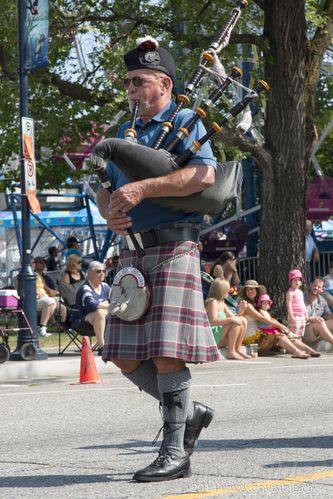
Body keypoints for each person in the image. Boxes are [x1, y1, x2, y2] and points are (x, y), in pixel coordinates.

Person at [96, 36, 221, 482]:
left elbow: (203, 175)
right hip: (131, 253)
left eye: (139, 81)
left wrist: (145, 188)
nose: (131, 89)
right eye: (128, 81)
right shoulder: (126, 131)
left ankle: (175, 453)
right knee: (122, 353)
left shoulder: (185, 121)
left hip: (172, 247)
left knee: (167, 354)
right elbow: (105, 185)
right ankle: (189, 412)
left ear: (164, 83)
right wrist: (108, 208)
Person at [238, 280, 312, 359]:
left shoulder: (258, 304)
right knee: (278, 335)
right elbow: (261, 318)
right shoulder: (247, 304)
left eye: (252, 289)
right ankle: (296, 352)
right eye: (247, 289)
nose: (249, 291)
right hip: (252, 340)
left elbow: (269, 318)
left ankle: (309, 350)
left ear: (256, 290)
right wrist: (280, 326)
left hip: (260, 335)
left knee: (286, 335)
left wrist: (281, 326)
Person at [205, 278, 250, 360]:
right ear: (221, 290)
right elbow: (213, 321)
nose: (229, 291)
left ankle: (237, 349)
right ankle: (231, 351)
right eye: (227, 289)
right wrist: (231, 320)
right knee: (234, 322)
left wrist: (242, 310)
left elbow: (237, 319)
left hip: (220, 335)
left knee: (243, 320)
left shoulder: (222, 303)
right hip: (212, 336)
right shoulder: (212, 301)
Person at [71, 261, 110, 354]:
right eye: (99, 271)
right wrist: (107, 305)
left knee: (116, 312)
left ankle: (116, 344)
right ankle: (102, 346)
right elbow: (91, 305)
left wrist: (104, 306)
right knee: (99, 312)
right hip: (82, 323)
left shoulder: (105, 287)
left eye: (103, 271)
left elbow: (116, 302)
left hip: (102, 320)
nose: (102, 274)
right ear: (91, 273)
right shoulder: (85, 288)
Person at [35, 256, 66, 337]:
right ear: (35, 264)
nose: (43, 264)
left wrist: (55, 292)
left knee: (62, 302)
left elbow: (48, 288)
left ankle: (62, 326)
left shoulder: (43, 276)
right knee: (50, 302)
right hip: (38, 298)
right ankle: (42, 328)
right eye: (41, 263)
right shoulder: (31, 275)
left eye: (44, 262)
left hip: (46, 296)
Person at [303, 277, 333, 348]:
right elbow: (297, 317)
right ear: (310, 285)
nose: (316, 288)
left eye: (319, 287)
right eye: (314, 285)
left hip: (316, 331)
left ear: (322, 290)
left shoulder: (322, 300)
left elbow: (327, 315)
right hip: (303, 329)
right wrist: (311, 319)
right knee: (319, 323)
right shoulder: (302, 297)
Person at [286, 269, 308, 339]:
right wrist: (291, 315)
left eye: (299, 280)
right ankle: (293, 348)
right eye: (294, 280)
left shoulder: (300, 292)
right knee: (293, 334)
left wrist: (306, 313)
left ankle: (300, 346)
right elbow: (288, 304)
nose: (297, 282)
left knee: (300, 334)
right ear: (290, 282)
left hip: (302, 316)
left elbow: (302, 303)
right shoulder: (290, 292)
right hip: (294, 316)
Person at [305, 220, 319, 284]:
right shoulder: (300, 237)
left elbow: (314, 247)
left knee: (308, 280)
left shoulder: (310, 237)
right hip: (301, 262)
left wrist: (316, 252)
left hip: (307, 263)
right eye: (310, 226)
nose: (311, 228)